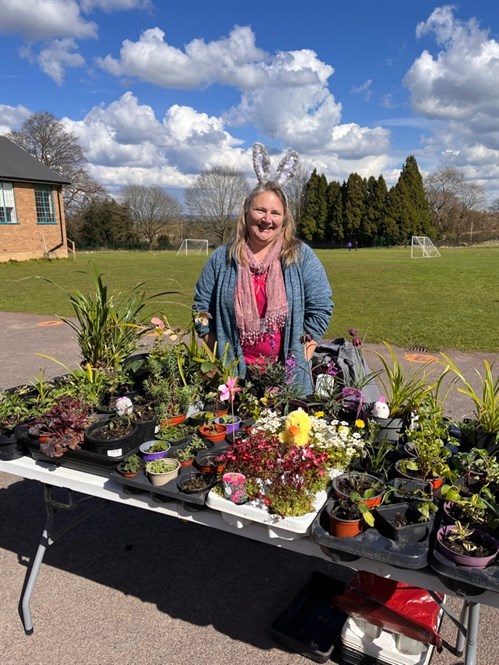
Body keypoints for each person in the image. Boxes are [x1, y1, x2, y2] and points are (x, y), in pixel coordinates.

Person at [193, 143, 333, 397]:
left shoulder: (300, 256)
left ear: (284, 219)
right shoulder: (222, 258)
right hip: (235, 378)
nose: (267, 219)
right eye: (260, 210)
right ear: (246, 213)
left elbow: (321, 307)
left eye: (275, 213)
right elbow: (201, 311)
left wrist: (301, 356)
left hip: (286, 376)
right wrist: (221, 355)